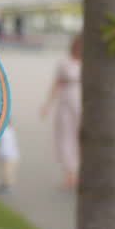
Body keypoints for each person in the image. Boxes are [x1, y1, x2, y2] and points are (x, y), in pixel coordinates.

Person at [40, 33, 82, 189]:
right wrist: (47, 105)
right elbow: (57, 84)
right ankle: (70, 173)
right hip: (66, 102)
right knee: (66, 137)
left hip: (83, 103)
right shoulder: (64, 62)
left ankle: (79, 172)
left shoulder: (90, 63)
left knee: (81, 138)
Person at [0, 123, 20, 195]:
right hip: (6, 155)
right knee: (5, 172)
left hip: (9, 156)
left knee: (7, 172)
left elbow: (0, 142)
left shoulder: (5, 131)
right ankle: (4, 185)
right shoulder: (9, 130)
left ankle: (7, 187)